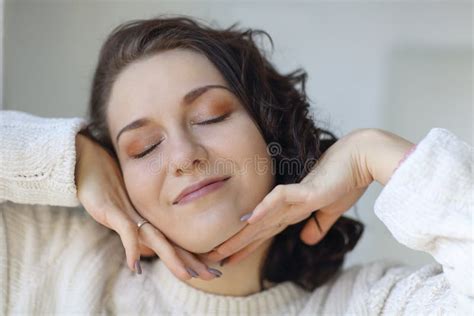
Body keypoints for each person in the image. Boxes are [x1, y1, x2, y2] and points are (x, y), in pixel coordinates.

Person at [0, 16, 472, 315]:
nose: (185, 156)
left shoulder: (373, 304)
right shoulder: (48, 260)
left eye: (211, 116)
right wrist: (71, 159)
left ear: (271, 133)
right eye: (143, 148)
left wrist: (378, 152)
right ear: (117, 184)